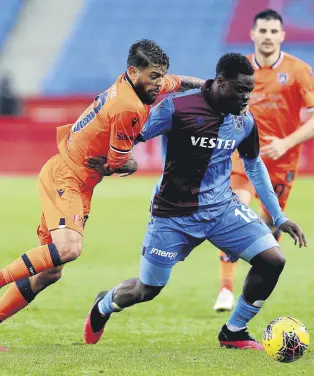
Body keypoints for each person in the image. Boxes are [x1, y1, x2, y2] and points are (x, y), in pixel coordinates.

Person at [83, 53, 306, 350]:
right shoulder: (178, 107)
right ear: (221, 82)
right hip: (172, 215)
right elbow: (133, 135)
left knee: (272, 260)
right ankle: (104, 304)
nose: (246, 97)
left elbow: (253, 165)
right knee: (147, 289)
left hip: (222, 209)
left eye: (250, 91)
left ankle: (234, 331)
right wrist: (109, 160)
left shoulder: (244, 119)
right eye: (240, 90)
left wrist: (278, 218)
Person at [0, 39, 204, 326]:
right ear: (134, 72)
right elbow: (121, 163)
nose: (159, 84)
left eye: (160, 76)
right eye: (154, 77)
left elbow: (181, 81)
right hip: (67, 179)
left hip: (74, 179)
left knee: (50, 271)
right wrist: (123, 164)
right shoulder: (127, 106)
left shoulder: (139, 83)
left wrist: (209, 87)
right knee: (69, 248)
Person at [213, 9, 314, 312]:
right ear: (253, 34)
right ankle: (226, 289)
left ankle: (260, 277)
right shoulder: (240, 71)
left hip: (283, 163)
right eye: (263, 31)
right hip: (244, 156)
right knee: (235, 213)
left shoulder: (298, 71)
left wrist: (286, 142)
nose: (268, 37)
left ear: (282, 36)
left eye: (273, 32)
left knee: (270, 226)